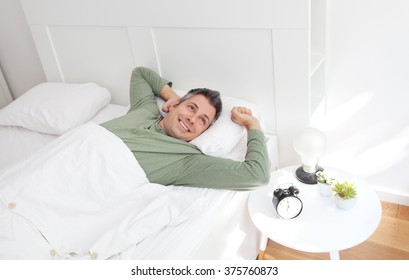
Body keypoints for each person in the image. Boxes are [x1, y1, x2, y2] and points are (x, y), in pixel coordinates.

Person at [101, 67, 270, 190]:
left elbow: (257, 175)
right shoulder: (145, 110)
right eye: (191, 108)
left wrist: (252, 125)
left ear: (202, 132)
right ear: (176, 105)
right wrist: (172, 98)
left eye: (202, 120)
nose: (192, 118)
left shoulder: (186, 160)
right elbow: (141, 74)